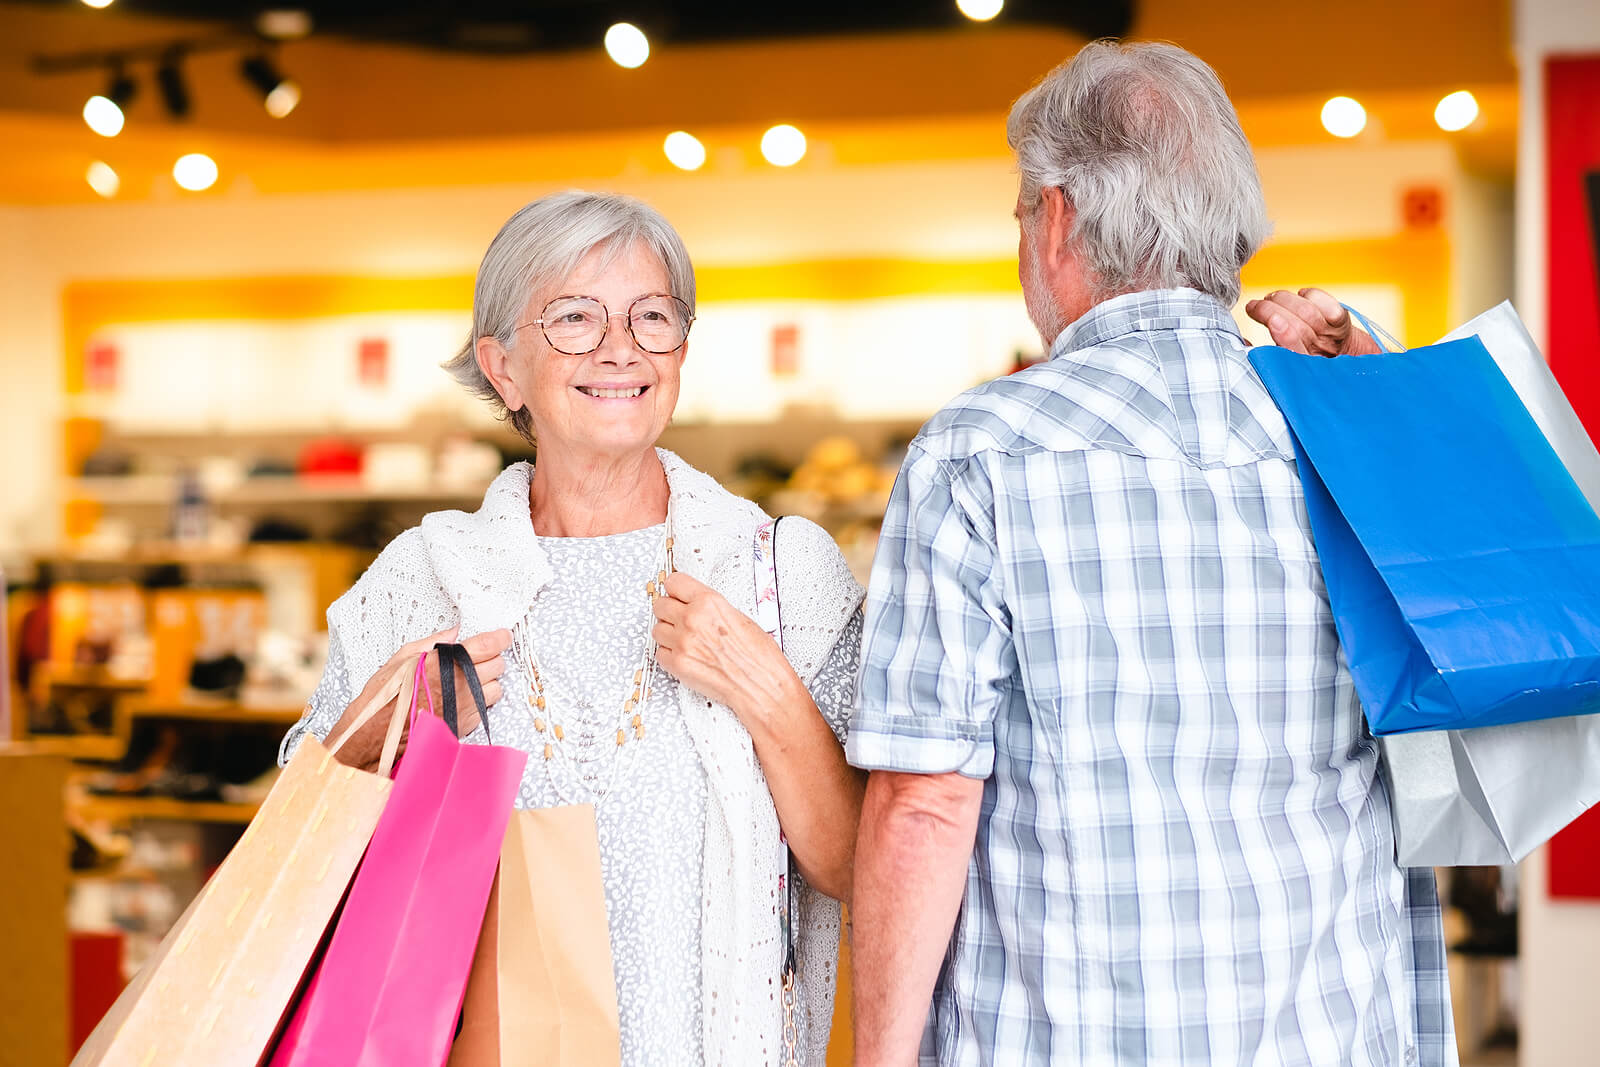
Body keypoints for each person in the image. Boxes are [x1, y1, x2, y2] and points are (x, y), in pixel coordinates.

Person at [847, 40, 1451, 1067]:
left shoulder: (982, 446)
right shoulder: (1341, 422)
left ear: (1056, 219)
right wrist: (1374, 387)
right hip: (1335, 1028)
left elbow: (925, 796)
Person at [279, 191, 866, 1067]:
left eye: (651, 316)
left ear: (681, 351)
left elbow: (859, 865)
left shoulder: (782, 573)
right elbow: (295, 868)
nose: (620, 346)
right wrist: (378, 730)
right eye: (574, 318)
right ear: (502, 367)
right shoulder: (422, 580)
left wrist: (767, 688)